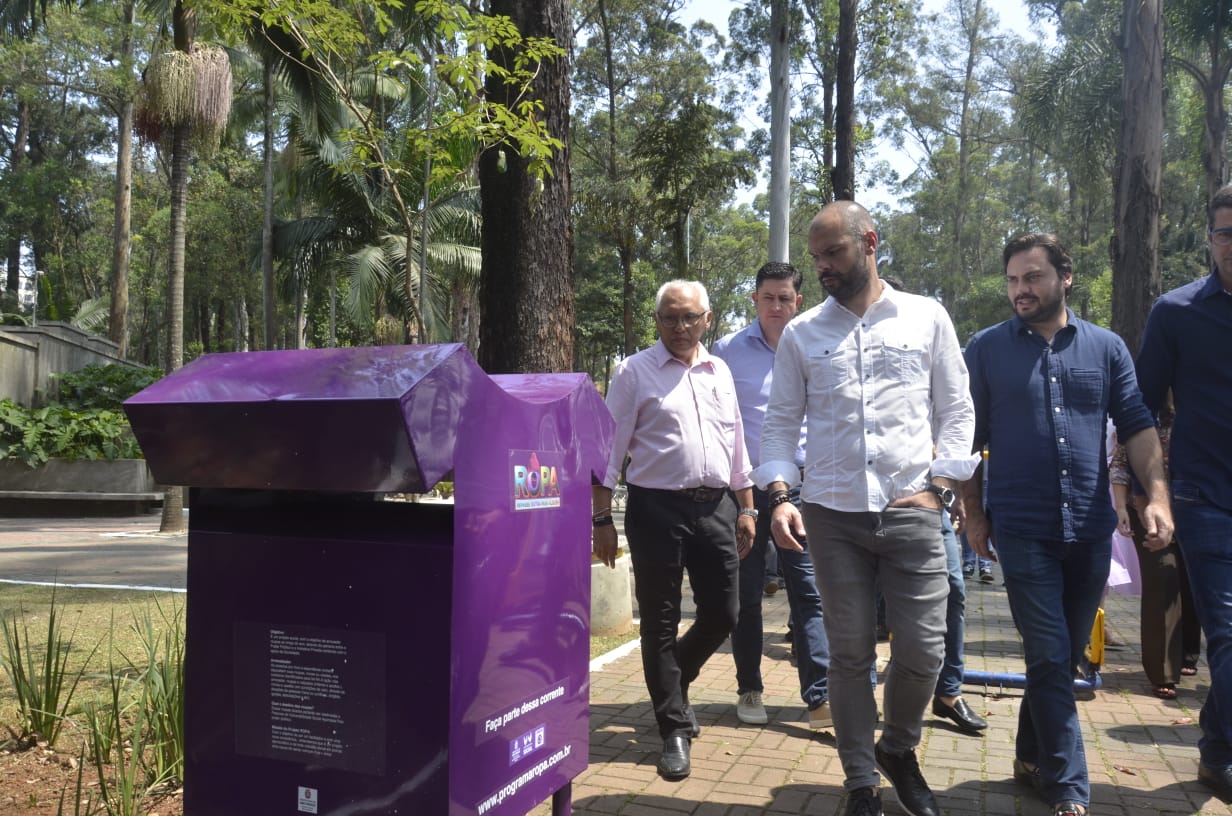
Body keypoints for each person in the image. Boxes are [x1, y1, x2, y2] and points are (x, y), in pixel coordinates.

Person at [755, 201, 977, 816]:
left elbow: (957, 411)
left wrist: (943, 486)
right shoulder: (803, 335)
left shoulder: (926, 317)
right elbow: (778, 427)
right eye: (817, 256)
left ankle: (899, 748)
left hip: (913, 510)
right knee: (848, 654)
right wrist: (778, 496)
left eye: (834, 253)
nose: (821, 268)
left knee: (925, 649)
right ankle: (860, 780)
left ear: (870, 241)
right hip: (832, 516)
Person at [962, 233, 1172, 816]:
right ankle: (1069, 786)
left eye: (1031, 277)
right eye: (1012, 280)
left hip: (1089, 527)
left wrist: (1157, 497)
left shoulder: (1106, 348)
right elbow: (965, 441)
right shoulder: (985, 349)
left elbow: (1135, 422)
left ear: (1065, 278)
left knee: (1063, 653)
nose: (1020, 290)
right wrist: (974, 514)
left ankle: (1031, 755)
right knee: (1052, 654)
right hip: (1022, 527)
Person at [591, 279, 757, 782]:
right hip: (656, 511)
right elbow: (607, 453)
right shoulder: (633, 372)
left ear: (708, 319)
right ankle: (674, 728)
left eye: (690, 318)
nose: (680, 327)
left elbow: (736, 443)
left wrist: (746, 506)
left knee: (724, 613)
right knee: (659, 621)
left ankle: (673, 681)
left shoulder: (720, 370)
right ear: (657, 320)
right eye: (670, 317)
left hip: (716, 510)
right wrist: (600, 520)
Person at [1135, 184, 1232, 802]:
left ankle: (1217, 751)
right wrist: (1148, 489)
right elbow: (1142, 405)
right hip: (1205, 496)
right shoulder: (1176, 311)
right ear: (1211, 239)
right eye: (1226, 233)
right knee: (1227, 632)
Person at [712, 261, 833, 730]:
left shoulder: (817, 346)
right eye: (769, 297)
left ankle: (818, 694)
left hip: (804, 489)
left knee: (809, 591)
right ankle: (749, 686)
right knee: (744, 594)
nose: (777, 306)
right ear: (755, 299)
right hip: (745, 494)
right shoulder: (727, 352)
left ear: (798, 301)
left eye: (785, 298)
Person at [1109, 397, 1201, 701]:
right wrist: (1121, 507)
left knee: (1192, 583)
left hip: (1198, 508)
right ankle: (1162, 671)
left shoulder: (1204, 411)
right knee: (1165, 576)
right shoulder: (1142, 412)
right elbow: (1121, 463)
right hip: (1147, 508)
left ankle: (1188, 651)